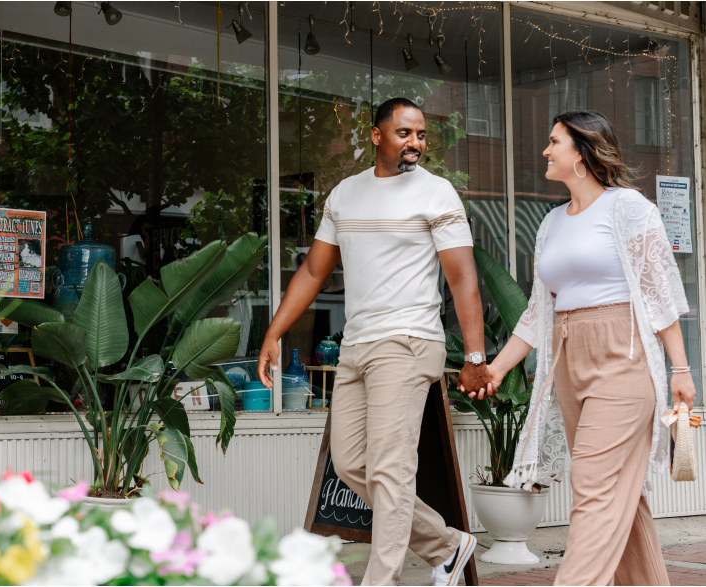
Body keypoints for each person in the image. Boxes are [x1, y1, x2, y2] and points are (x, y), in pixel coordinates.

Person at [258, 97, 489, 586]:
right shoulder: (345, 194)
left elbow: (463, 279)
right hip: (357, 345)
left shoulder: (436, 193)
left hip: (407, 342)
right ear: (377, 135)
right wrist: (273, 332)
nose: (416, 143)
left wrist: (474, 356)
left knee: (390, 468)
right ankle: (447, 544)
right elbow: (315, 270)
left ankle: (380, 580)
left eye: (422, 135)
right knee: (350, 462)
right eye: (405, 133)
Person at [470, 110, 694, 585]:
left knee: (592, 487)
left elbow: (661, 294)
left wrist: (681, 370)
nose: (546, 150)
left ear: (583, 151)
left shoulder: (629, 208)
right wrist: (495, 368)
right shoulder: (551, 222)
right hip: (569, 360)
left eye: (554, 142)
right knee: (620, 496)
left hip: (623, 357)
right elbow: (536, 312)